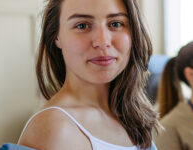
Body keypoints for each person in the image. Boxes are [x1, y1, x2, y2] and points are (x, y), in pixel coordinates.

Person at [17, 0, 160, 149]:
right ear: (56, 36)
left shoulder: (130, 114)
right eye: (82, 26)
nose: (103, 41)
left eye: (116, 24)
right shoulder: (55, 127)